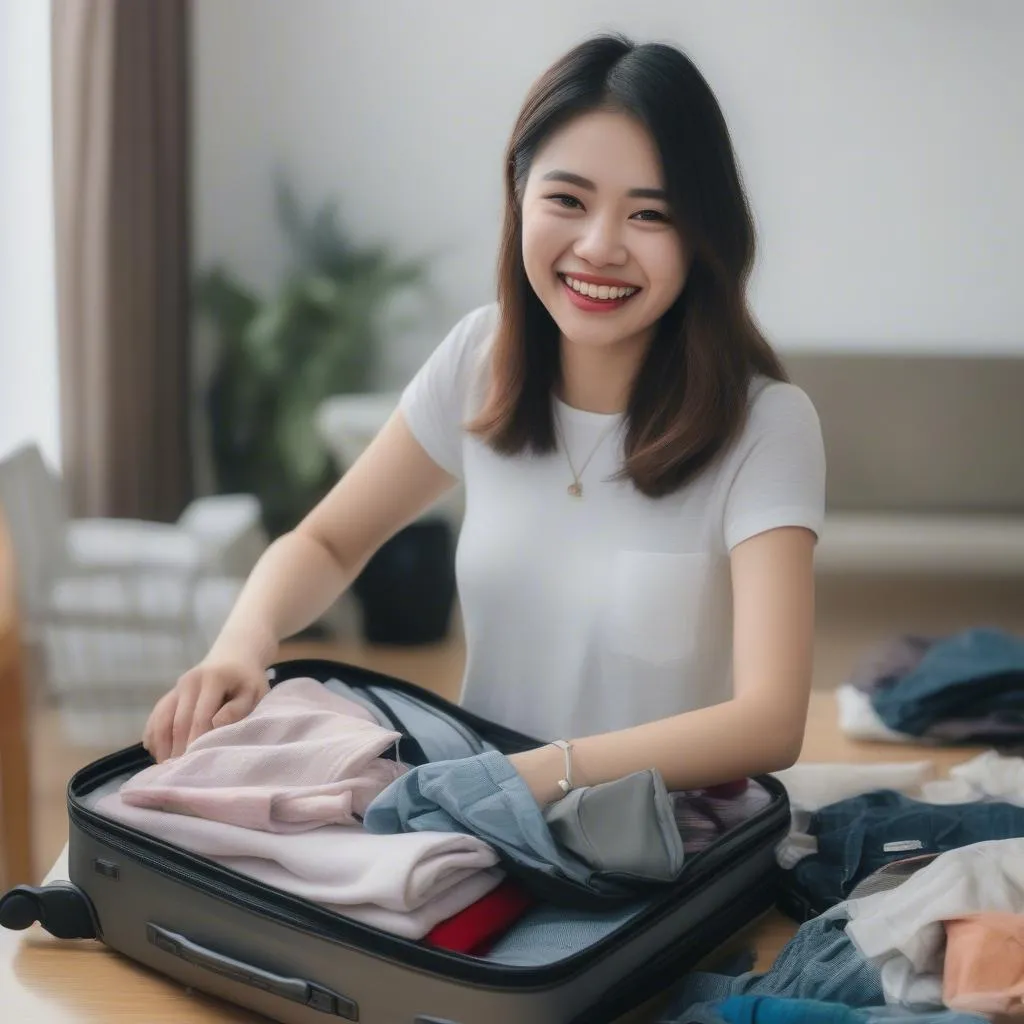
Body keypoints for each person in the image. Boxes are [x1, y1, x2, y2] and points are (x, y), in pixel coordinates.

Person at [143, 33, 826, 808]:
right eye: (567, 200)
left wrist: (528, 777)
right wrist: (241, 645)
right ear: (520, 196)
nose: (599, 247)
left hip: (658, 841)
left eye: (650, 215)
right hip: (484, 825)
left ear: (704, 236)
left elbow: (772, 723)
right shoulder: (480, 358)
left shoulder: (766, 425)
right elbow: (328, 541)